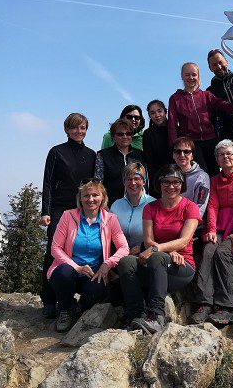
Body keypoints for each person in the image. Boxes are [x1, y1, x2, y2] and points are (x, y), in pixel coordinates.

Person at [118, 165, 201, 333]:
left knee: (157, 257)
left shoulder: (190, 207)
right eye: (166, 182)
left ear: (182, 184)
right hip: (156, 263)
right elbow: (149, 241)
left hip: (181, 266)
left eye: (176, 182)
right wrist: (166, 251)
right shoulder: (151, 208)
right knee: (126, 262)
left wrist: (159, 250)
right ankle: (135, 313)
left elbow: (184, 241)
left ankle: (157, 316)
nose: (171, 186)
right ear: (159, 184)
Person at [47, 180, 129, 332]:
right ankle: (65, 308)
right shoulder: (68, 216)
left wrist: (107, 264)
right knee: (63, 273)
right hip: (70, 270)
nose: (90, 199)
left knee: (95, 293)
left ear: (102, 198)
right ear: (80, 198)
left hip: (94, 273)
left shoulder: (110, 219)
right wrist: (76, 267)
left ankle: (80, 307)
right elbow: (55, 248)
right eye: (86, 195)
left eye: (95, 195)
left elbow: (124, 248)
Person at [191, 140, 233, 325]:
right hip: (220, 225)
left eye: (229, 153)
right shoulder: (214, 180)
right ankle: (204, 303)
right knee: (208, 251)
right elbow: (212, 207)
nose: (226, 157)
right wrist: (211, 229)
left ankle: (226, 307)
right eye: (221, 154)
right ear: (217, 159)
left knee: (223, 253)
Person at [40, 113, 96, 319]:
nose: (78, 131)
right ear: (66, 129)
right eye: (74, 127)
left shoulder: (91, 154)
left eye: (82, 128)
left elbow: (93, 185)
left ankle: (70, 298)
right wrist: (45, 211)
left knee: (79, 250)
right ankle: (48, 300)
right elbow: (47, 182)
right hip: (59, 208)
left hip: (82, 209)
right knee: (53, 251)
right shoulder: (56, 152)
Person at [168, 62, 233, 176]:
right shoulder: (175, 98)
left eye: (194, 74)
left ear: (198, 76)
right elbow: (172, 123)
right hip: (191, 142)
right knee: (201, 173)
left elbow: (224, 105)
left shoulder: (206, 95)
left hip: (210, 140)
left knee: (215, 172)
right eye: (187, 75)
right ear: (182, 76)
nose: (191, 77)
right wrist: (174, 147)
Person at [94, 118, 147, 207]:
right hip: (111, 206)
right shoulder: (103, 155)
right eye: (120, 134)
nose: (125, 137)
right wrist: (104, 206)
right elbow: (98, 183)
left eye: (128, 133)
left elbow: (145, 182)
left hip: (138, 206)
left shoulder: (140, 155)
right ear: (113, 137)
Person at [110, 163, 154, 255]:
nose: (133, 183)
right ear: (124, 182)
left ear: (144, 181)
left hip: (145, 254)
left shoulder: (153, 204)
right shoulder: (116, 205)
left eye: (137, 179)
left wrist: (142, 247)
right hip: (119, 255)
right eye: (129, 179)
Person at [206, 49, 233, 143]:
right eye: (214, 65)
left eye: (220, 62)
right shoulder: (210, 92)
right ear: (210, 68)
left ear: (226, 62)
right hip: (227, 140)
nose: (219, 67)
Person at [172, 137, 210, 226]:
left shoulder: (202, 177)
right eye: (178, 151)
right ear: (173, 155)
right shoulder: (168, 174)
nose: (182, 155)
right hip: (170, 221)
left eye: (186, 152)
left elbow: (200, 208)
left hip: (191, 225)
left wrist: (187, 227)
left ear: (192, 156)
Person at [142, 100, 173, 194]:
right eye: (152, 113)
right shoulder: (148, 133)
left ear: (165, 111)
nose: (157, 115)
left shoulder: (175, 130)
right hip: (158, 179)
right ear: (149, 116)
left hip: (176, 176)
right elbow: (149, 161)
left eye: (159, 111)